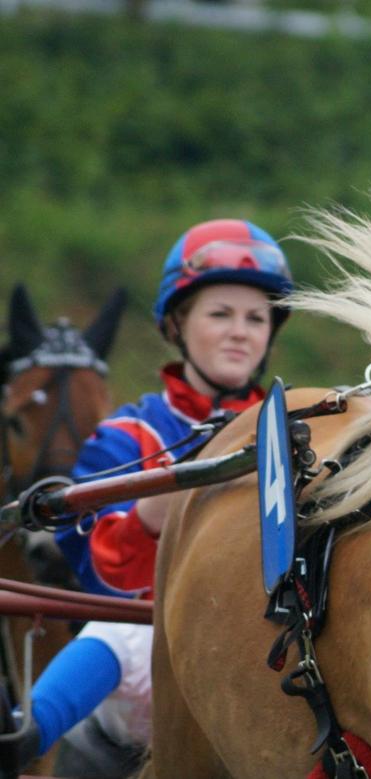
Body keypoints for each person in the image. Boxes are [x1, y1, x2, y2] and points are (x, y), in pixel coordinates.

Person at [1, 218, 294, 778]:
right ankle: (24, 731)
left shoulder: (291, 436)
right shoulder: (124, 438)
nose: (240, 331)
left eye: (256, 318)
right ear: (177, 325)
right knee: (132, 629)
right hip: (151, 665)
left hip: (262, 654)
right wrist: (159, 506)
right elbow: (100, 579)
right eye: (220, 314)